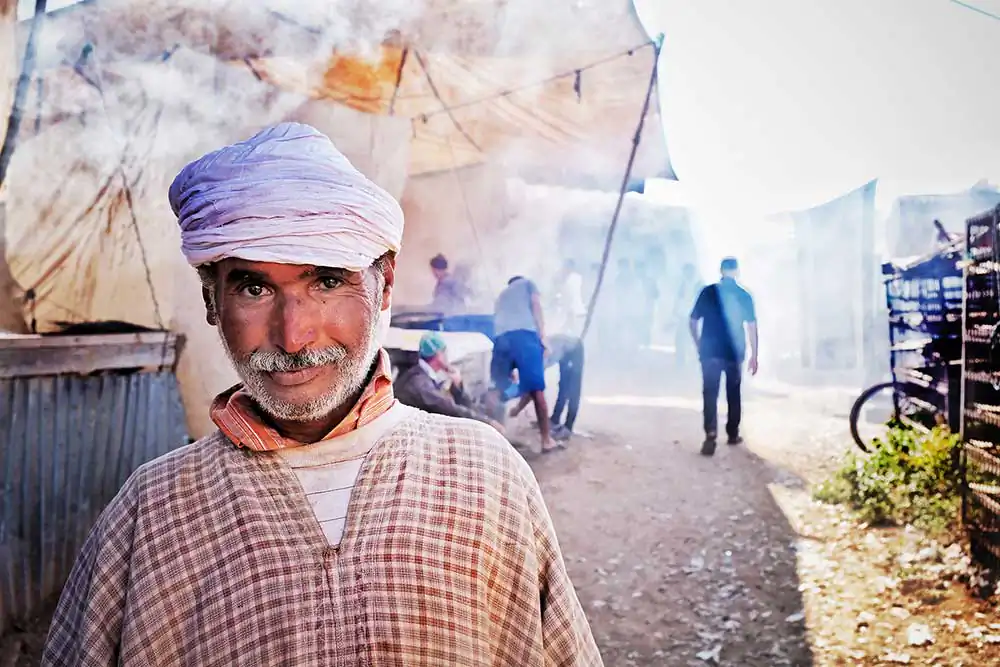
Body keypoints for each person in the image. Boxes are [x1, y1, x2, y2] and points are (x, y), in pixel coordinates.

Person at [42, 123, 601, 665]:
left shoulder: (485, 475)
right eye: (254, 287)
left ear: (382, 284)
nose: (294, 335)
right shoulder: (152, 511)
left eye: (328, 281)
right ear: (212, 301)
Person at [689, 256, 759, 456]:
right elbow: (752, 327)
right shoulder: (744, 295)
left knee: (710, 393)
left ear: (720, 271)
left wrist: (699, 343)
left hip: (710, 351)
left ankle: (711, 433)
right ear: (737, 272)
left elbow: (692, 321)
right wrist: (755, 354)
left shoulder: (707, 292)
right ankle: (732, 433)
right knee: (733, 393)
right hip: (733, 352)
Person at [490, 276, 558, 453]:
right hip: (525, 337)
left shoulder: (501, 296)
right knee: (536, 389)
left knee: (497, 388)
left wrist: (509, 365)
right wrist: (542, 335)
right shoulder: (528, 283)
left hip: (501, 339)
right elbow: (536, 306)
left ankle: (494, 436)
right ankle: (546, 440)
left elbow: (496, 322)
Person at [395, 331, 504, 432]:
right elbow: (451, 409)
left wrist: (457, 386)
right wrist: (489, 423)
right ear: (438, 355)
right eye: (445, 351)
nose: (447, 356)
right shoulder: (420, 383)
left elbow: (460, 406)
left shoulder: (420, 375)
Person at [505, 334, 585, 441]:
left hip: (574, 348)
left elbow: (533, 389)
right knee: (563, 386)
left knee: (572, 388)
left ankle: (568, 428)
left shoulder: (534, 360)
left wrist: (518, 408)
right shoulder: (524, 356)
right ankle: (554, 420)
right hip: (563, 348)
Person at [673, 263, 704, 370]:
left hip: (695, 317)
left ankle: (695, 363)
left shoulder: (699, 284)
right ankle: (680, 363)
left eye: (687, 271)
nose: (686, 274)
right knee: (680, 340)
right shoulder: (683, 284)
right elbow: (679, 299)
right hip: (683, 316)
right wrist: (676, 310)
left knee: (693, 340)